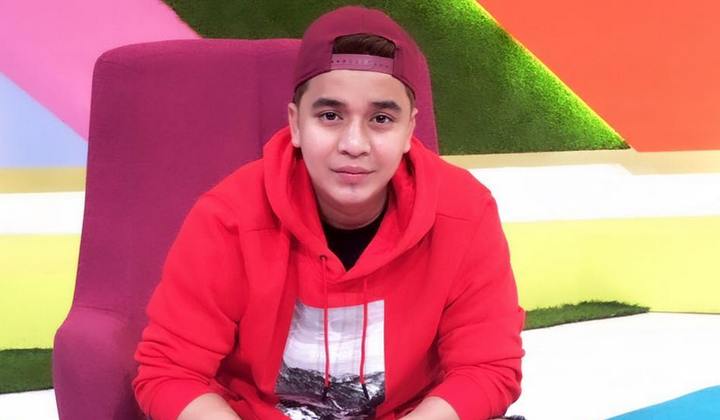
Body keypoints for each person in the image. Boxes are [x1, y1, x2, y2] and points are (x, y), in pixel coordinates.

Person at [133, 5, 524, 420]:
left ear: (409, 130)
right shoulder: (227, 217)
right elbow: (170, 372)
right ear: (296, 124)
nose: (354, 144)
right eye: (330, 116)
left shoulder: (466, 212)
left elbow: (486, 367)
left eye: (381, 119)